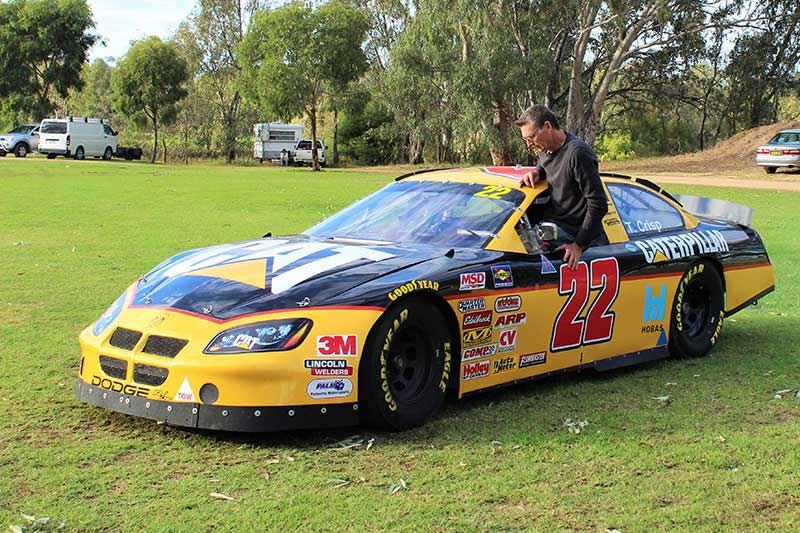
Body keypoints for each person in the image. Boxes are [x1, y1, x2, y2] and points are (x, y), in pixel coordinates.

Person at [515, 105, 608, 269]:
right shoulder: (546, 149)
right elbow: (546, 164)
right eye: (525, 141)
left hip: (579, 238)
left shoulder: (578, 153)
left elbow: (598, 204)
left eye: (531, 138)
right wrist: (537, 173)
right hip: (554, 229)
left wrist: (578, 246)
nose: (529, 145)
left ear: (548, 127)